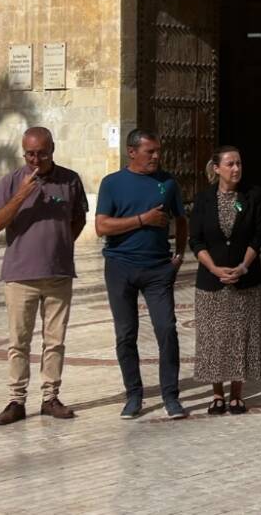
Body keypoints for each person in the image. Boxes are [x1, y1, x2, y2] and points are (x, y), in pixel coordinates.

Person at [0, 127, 88, 425]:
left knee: (54, 340)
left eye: (41, 154)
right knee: (19, 342)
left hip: (58, 274)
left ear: (52, 149)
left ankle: (50, 397)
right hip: (20, 276)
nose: (35, 160)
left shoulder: (69, 180)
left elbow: (79, 218)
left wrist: (62, 246)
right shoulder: (10, 181)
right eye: (29, 154)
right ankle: (16, 400)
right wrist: (21, 195)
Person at [95, 129, 189, 419]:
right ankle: (133, 395)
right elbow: (102, 227)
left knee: (167, 330)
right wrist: (141, 220)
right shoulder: (111, 184)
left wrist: (179, 256)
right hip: (120, 267)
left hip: (158, 269)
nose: (157, 156)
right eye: (151, 152)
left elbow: (182, 220)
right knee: (125, 334)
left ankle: (171, 396)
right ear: (132, 152)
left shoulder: (168, 182)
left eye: (159, 151)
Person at [188, 146, 261, 415]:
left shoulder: (252, 196)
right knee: (213, 338)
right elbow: (196, 239)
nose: (236, 169)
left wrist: (244, 266)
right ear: (217, 168)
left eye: (239, 163)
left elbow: (259, 234)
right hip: (212, 282)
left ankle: (237, 393)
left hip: (245, 280)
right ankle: (216, 394)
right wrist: (214, 268)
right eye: (230, 164)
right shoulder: (203, 199)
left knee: (241, 337)